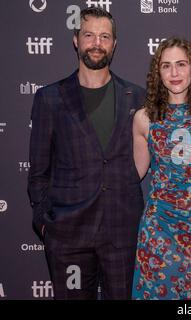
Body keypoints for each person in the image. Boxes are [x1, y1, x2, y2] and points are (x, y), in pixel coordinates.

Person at [27, 7, 146, 299]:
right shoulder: (50, 98)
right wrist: (46, 223)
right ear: (76, 40)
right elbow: (39, 171)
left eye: (105, 36)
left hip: (121, 232)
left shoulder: (137, 96)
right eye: (89, 35)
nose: (96, 43)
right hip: (68, 237)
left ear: (114, 44)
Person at [131, 37, 191, 300]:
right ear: (157, 72)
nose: (174, 73)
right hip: (158, 225)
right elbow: (135, 173)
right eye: (166, 66)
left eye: (181, 64)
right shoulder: (144, 118)